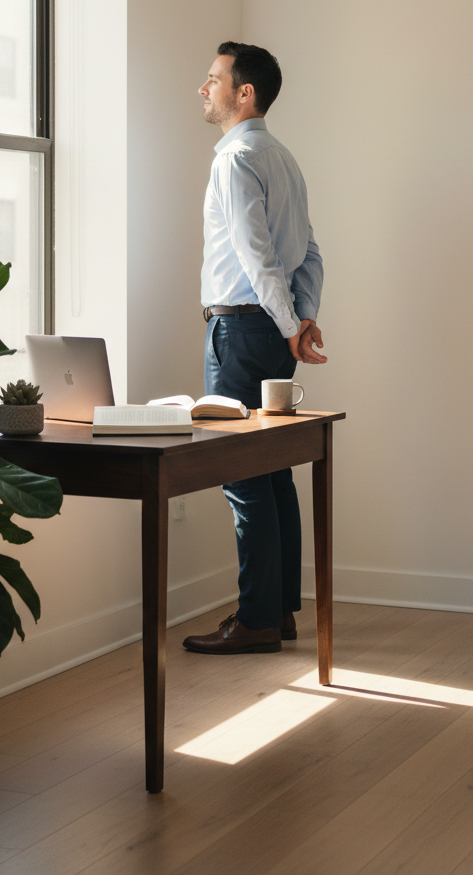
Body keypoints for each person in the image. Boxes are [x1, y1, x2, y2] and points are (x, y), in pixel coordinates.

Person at [182, 42, 326, 655]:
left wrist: (291, 319)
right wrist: (301, 318)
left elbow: (253, 255)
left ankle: (258, 619)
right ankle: (280, 612)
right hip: (273, 331)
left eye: (213, 79)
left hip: (240, 330)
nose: (202, 88)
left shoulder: (236, 159)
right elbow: (310, 253)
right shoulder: (283, 158)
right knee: (272, 472)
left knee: (241, 474)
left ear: (245, 93)